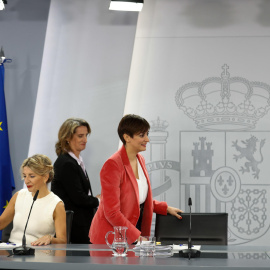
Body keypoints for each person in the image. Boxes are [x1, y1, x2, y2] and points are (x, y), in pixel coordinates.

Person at [89, 114, 183, 244]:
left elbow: (135, 197)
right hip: (110, 237)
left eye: (147, 134)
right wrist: (136, 237)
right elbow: (111, 213)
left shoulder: (141, 160)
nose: (147, 139)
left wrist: (164, 208)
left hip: (132, 230)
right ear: (127, 137)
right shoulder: (112, 165)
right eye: (142, 135)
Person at [51, 118, 100, 244]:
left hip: (80, 224)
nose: (85, 140)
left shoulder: (74, 161)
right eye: (80, 136)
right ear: (67, 137)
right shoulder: (66, 163)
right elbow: (79, 198)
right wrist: (99, 200)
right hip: (74, 228)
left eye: (86, 135)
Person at [0, 154, 66, 246]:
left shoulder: (56, 204)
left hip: (38, 253)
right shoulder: (19, 195)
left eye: (31, 176)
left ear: (45, 177)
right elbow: (1, 223)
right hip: (12, 251)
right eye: (25, 176)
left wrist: (50, 239)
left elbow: (62, 241)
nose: (26, 181)